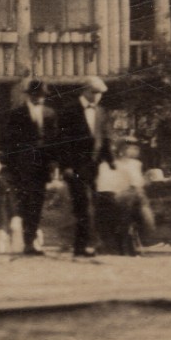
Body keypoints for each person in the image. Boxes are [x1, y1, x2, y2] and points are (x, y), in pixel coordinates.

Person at [0, 77, 59, 256]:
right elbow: (8, 141)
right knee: (25, 203)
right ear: (29, 95)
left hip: (42, 166)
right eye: (36, 95)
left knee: (38, 203)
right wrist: (10, 165)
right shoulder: (17, 114)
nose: (39, 98)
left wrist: (54, 163)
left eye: (42, 95)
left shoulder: (50, 114)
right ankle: (28, 242)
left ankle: (32, 241)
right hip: (22, 167)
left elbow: (54, 141)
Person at [57, 75, 115, 258]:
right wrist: (65, 166)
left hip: (94, 167)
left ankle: (81, 246)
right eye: (95, 92)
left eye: (101, 94)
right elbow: (61, 141)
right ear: (86, 91)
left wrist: (111, 162)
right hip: (75, 167)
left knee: (91, 206)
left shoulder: (101, 112)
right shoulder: (69, 111)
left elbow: (104, 139)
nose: (98, 97)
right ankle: (86, 245)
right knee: (83, 205)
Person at [96, 138, 150, 255]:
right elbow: (137, 184)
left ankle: (117, 245)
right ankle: (129, 244)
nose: (136, 150)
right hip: (117, 198)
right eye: (132, 148)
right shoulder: (133, 164)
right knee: (136, 208)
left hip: (106, 197)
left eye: (136, 148)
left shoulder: (105, 164)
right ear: (123, 150)